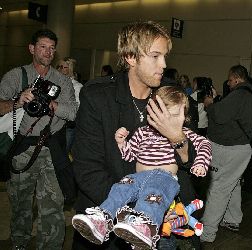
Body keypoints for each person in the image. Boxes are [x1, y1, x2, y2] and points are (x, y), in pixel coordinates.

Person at [72, 21, 202, 250]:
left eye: (165, 56)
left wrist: (176, 137)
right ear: (131, 57)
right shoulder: (98, 97)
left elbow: (192, 162)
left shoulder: (172, 96)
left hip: (165, 222)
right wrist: (143, 212)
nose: (163, 64)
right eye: (155, 56)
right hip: (110, 220)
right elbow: (88, 171)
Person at [72, 85, 212, 249]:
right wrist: (122, 143)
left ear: (185, 118)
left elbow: (205, 145)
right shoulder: (142, 132)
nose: (169, 122)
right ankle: (102, 220)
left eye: (175, 117)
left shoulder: (184, 133)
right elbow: (130, 156)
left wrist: (201, 163)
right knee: (119, 189)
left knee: (153, 198)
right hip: (138, 178)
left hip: (164, 179)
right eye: (163, 115)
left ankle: (145, 228)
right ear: (152, 113)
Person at [0, 29, 77, 250]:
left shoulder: (61, 80)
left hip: (53, 149)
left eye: (52, 48)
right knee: (21, 206)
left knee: (53, 208)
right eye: (43, 47)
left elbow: (73, 113)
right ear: (32, 48)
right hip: (23, 150)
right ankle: (19, 244)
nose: (48, 52)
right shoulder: (16, 76)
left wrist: (53, 105)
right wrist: (18, 101)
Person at [200, 65, 252, 243]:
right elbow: (230, 114)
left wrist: (209, 104)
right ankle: (232, 220)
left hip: (231, 149)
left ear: (237, 78)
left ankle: (207, 233)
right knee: (232, 184)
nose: (229, 83)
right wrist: (217, 98)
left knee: (219, 188)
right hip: (238, 148)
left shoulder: (240, 94)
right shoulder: (247, 95)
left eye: (230, 80)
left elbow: (220, 115)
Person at [57, 57, 83, 154]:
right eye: (59, 66)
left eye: (64, 67)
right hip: (53, 125)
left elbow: (75, 110)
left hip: (67, 126)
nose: (60, 69)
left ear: (70, 69)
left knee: (62, 154)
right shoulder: (54, 83)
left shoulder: (77, 87)